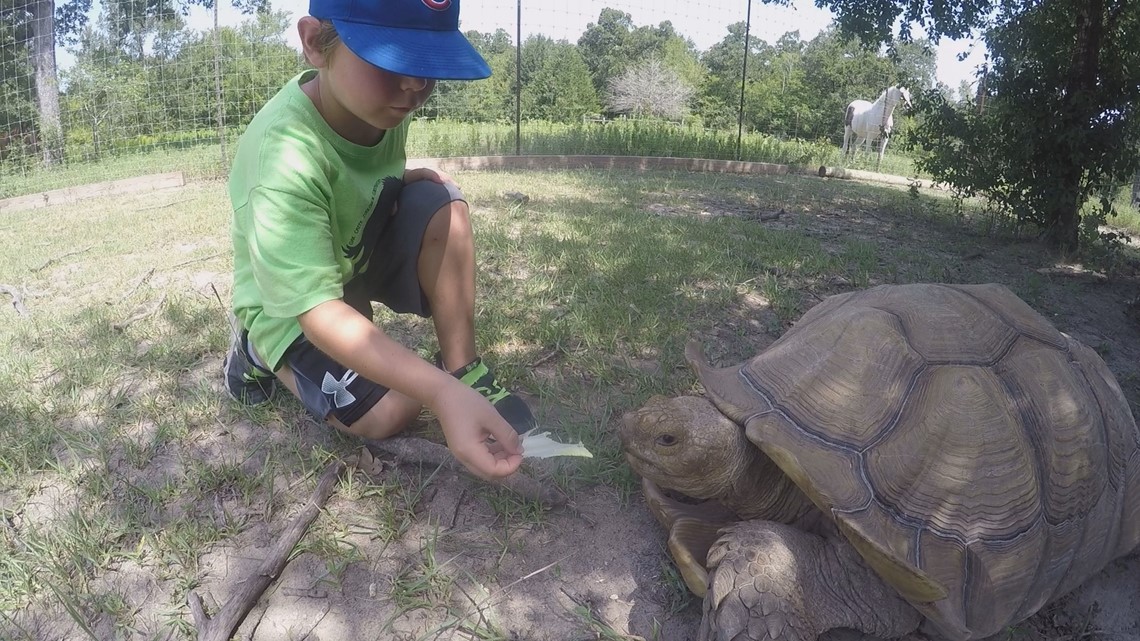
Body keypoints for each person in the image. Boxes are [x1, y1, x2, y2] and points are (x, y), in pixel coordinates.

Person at [223, 0, 534, 480]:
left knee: (443, 202)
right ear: (314, 43)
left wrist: (406, 178)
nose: (414, 84)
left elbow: (350, 173)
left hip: (350, 267)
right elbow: (318, 312)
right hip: (294, 308)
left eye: (426, 63)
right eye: (391, 59)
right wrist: (439, 396)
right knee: (390, 412)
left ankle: (464, 368)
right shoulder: (280, 157)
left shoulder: (382, 104)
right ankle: (256, 349)